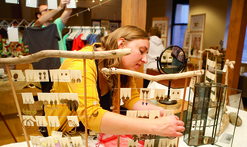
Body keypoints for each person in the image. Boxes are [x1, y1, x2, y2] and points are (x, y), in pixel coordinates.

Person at [45, 25, 185, 138]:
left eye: (146, 53)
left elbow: (132, 99)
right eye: (141, 51)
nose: (145, 60)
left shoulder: (121, 65)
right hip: (65, 136)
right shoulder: (81, 63)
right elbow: (91, 116)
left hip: (94, 135)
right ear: (121, 44)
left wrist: (159, 111)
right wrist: (155, 126)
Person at [34, 0, 73, 64]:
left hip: (62, 65)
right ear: (38, 15)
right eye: (45, 10)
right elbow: (39, 21)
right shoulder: (37, 28)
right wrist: (59, 7)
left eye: (49, 10)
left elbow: (68, 11)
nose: (49, 12)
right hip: (47, 66)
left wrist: (68, 0)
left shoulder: (56, 24)